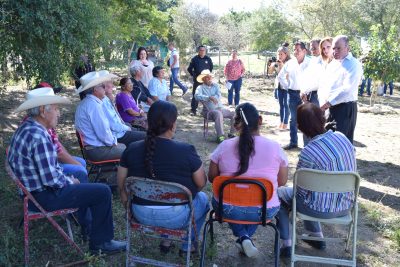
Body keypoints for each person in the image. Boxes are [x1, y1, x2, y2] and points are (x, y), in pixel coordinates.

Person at [8, 88, 126, 254]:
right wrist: (71, 181)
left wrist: (69, 178)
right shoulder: (38, 136)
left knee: (82, 178)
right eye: (56, 108)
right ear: (43, 111)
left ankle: (90, 226)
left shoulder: (29, 126)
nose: (59, 113)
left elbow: (49, 171)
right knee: (103, 191)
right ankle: (101, 243)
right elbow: (51, 181)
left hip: (32, 192)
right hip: (42, 197)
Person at [117, 101, 209, 255]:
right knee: (203, 199)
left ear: (148, 122)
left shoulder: (131, 149)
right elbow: (201, 183)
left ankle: (166, 239)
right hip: (177, 216)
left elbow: (121, 185)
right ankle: (187, 245)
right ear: (172, 125)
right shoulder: (186, 150)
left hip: (140, 214)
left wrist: (128, 209)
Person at [276, 102, 357, 258]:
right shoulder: (343, 138)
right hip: (346, 205)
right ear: (323, 119)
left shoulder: (308, 152)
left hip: (317, 209)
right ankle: (316, 235)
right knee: (314, 193)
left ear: (300, 127)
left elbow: (300, 191)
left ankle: (287, 243)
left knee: (279, 196)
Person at [208, 102, 288, 257]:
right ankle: (245, 238)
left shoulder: (224, 146)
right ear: (260, 120)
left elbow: (212, 178)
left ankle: (243, 237)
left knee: (230, 200)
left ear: (237, 125)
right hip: (264, 211)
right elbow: (282, 182)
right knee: (250, 203)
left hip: (227, 209)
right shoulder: (275, 148)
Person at [320, 35, 363, 144]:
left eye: (338, 48)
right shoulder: (333, 64)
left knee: (341, 143)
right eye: (333, 48)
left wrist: (328, 103)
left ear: (347, 48)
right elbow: (324, 85)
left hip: (345, 109)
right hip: (329, 107)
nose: (335, 51)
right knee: (329, 141)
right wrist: (323, 102)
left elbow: (347, 89)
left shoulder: (353, 64)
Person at [75, 71, 125, 161]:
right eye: (102, 86)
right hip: (96, 150)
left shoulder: (89, 102)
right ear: (95, 89)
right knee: (130, 150)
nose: (105, 88)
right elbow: (104, 134)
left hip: (93, 148)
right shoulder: (93, 105)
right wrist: (114, 142)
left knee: (126, 147)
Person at [278, 41, 311, 150]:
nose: (296, 52)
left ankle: (308, 145)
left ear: (304, 51)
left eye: (298, 50)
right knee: (293, 119)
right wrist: (287, 87)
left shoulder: (310, 63)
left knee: (306, 119)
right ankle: (293, 142)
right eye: (294, 50)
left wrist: (307, 90)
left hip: (306, 94)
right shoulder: (290, 63)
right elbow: (280, 76)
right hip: (292, 93)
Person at [101, 73, 146, 146]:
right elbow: (113, 124)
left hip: (123, 127)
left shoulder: (106, 99)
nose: (113, 86)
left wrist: (140, 111)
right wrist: (127, 127)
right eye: (109, 83)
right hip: (123, 128)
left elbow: (116, 118)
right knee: (147, 132)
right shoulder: (121, 96)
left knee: (150, 123)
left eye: (131, 83)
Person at [194, 70, 235, 143]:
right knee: (218, 114)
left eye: (210, 77)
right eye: (207, 77)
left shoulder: (215, 85)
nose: (209, 78)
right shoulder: (200, 87)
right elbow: (196, 96)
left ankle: (232, 134)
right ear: (203, 79)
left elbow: (219, 95)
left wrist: (213, 97)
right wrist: (208, 97)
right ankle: (220, 137)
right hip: (208, 111)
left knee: (234, 112)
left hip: (220, 108)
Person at [187, 45, 214, 116]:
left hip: (207, 80)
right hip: (197, 80)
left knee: (207, 95)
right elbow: (189, 69)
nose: (202, 51)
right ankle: (193, 110)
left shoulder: (208, 59)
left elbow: (211, 68)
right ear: (198, 51)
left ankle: (206, 111)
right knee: (196, 95)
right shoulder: (194, 59)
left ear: (205, 51)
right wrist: (194, 75)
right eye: (201, 50)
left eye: (203, 50)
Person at [274, 46, 291, 130]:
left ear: (286, 54)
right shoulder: (278, 62)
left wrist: (282, 65)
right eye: (278, 54)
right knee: (281, 105)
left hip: (287, 87)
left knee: (286, 105)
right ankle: (281, 122)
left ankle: (285, 123)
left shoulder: (290, 63)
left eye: (281, 54)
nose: (279, 56)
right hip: (279, 87)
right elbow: (277, 74)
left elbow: (287, 76)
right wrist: (277, 65)